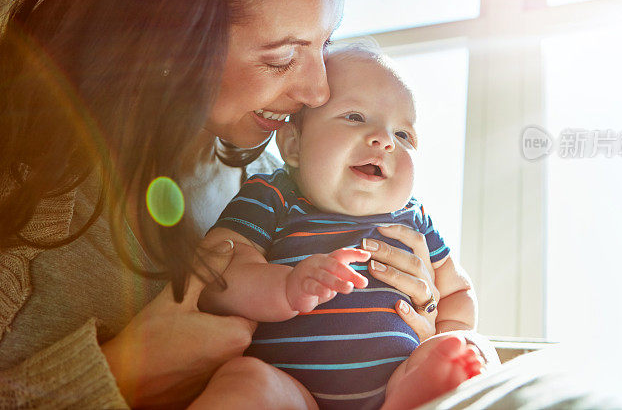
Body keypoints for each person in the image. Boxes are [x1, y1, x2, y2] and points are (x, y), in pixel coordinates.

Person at [0, 0, 455, 407]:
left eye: (324, 45)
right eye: (281, 58)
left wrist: (414, 325)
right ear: (167, 32)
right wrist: (118, 378)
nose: (317, 90)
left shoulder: (267, 188)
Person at [195, 46, 488, 409]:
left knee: (471, 350)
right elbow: (218, 271)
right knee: (245, 381)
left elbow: (458, 291)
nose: (383, 139)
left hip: (396, 385)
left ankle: (422, 394)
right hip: (293, 392)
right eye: (354, 116)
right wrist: (286, 287)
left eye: (403, 135)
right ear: (293, 145)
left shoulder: (415, 217)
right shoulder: (273, 195)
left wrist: (441, 341)